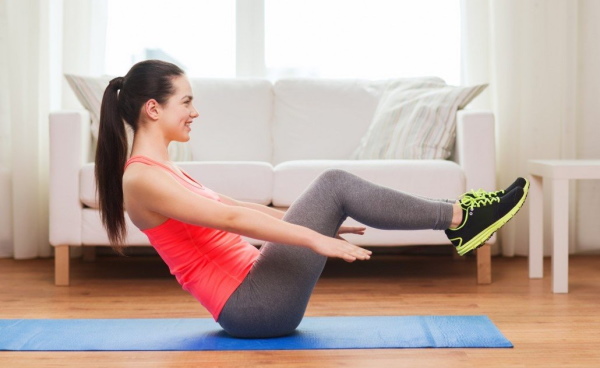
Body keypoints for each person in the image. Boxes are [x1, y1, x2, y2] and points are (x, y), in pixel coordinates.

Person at [96, 60, 528, 338]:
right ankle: (460, 218)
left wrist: (312, 223)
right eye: (186, 101)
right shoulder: (141, 180)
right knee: (334, 182)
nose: (195, 111)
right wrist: (315, 240)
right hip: (253, 306)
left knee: (331, 187)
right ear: (153, 109)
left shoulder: (164, 170)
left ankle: (460, 218)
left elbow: (242, 206)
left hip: (257, 289)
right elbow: (226, 217)